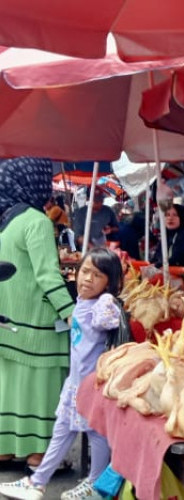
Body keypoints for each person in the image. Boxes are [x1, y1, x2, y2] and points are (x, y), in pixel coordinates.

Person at [0, 248, 122, 500]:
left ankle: (96, 485)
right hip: (75, 383)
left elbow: (109, 320)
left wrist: (109, 301)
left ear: (109, 282)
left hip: (91, 385)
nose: (87, 278)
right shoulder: (82, 302)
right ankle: (38, 482)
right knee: (62, 430)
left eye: (97, 275)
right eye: (85, 271)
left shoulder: (100, 305)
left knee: (95, 433)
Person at [0, 157, 75, 471]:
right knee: (44, 383)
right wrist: (73, 314)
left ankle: (5, 448)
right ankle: (38, 453)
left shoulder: (6, 217)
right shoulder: (37, 221)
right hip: (37, 323)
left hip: (7, 319)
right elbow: (47, 276)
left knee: (10, 384)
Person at [152, 204, 184, 271]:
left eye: (175, 215)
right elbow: (157, 257)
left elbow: (179, 258)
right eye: (167, 215)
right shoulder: (166, 237)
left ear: (181, 217)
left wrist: (160, 265)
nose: (170, 218)